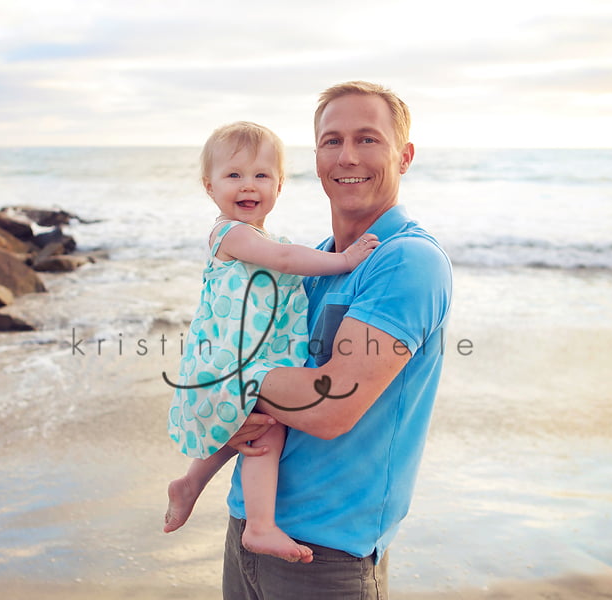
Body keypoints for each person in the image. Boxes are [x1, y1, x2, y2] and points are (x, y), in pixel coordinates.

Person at [221, 82, 452, 599]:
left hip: (327, 555)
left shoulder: (406, 260)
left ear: (404, 156)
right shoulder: (315, 262)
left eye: (368, 139)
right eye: (332, 141)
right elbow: (275, 379)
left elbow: (330, 406)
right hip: (249, 528)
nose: (347, 156)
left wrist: (227, 384)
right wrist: (236, 413)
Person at [164, 121, 380, 564]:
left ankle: (190, 484)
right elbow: (286, 260)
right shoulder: (232, 234)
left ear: (280, 185)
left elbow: (284, 256)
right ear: (210, 187)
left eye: (262, 176)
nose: (249, 185)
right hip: (234, 359)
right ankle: (260, 526)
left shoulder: (263, 239)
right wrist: (344, 260)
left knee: (252, 423)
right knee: (269, 428)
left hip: (249, 354)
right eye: (234, 176)